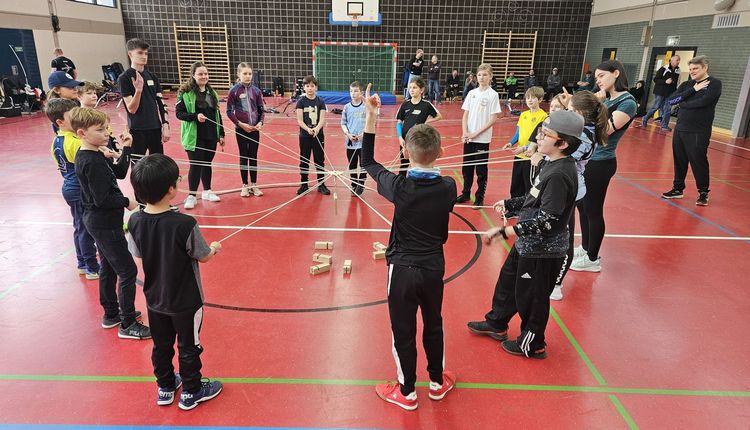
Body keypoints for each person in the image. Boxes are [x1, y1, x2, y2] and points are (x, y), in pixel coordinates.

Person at [360, 84, 457, 411]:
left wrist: (372, 116)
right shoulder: (449, 187)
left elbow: (368, 161)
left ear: (405, 151)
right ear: (441, 154)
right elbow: (438, 180)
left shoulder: (398, 187)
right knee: (434, 323)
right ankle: (436, 382)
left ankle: (407, 391)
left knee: (403, 329)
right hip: (433, 268)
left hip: (401, 270)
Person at [467, 110, 584, 359]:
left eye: (546, 134)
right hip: (528, 244)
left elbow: (548, 221)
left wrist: (508, 230)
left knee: (532, 298)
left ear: (562, 143)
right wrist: (510, 204)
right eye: (540, 132)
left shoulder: (560, 174)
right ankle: (497, 322)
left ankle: (532, 343)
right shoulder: (549, 163)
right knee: (508, 284)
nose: (539, 137)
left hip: (543, 251)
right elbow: (534, 197)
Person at [127, 153, 223, 410]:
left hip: (155, 298)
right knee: (189, 345)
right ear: (171, 189)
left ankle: (165, 386)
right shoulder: (184, 223)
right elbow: (203, 256)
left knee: (161, 344)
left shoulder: (134, 219)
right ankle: (192, 390)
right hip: (186, 300)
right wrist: (214, 248)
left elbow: (137, 254)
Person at [72, 107, 150, 339]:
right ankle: (127, 324)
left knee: (108, 266)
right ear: (82, 133)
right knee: (127, 270)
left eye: (106, 128)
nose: (106, 133)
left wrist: (125, 148)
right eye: (100, 130)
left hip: (104, 221)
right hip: (103, 223)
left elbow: (119, 172)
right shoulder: (91, 161)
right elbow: (103, 199)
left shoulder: (95, 154)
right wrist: (128, 201)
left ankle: (112, 314)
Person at [570, 60, 637, 273]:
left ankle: (592, 258)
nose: (597, 80)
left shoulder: (627, 102)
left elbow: (603, 131)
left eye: (601, 76)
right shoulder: (606, 98)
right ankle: (586, 246)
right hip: (587, 159)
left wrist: (595, 106)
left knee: (594, 209)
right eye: (596, 77)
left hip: (601, 162)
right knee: (582, 206)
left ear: (616, 73)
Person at [549, 89, 608, 300]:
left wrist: (543, 151)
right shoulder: (582, 128)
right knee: (556, 233)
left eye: (571, 110)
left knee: (563, 237)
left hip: (568, 189)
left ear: (581, 113)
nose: (568, 112)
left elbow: (562, 155)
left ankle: (555, 284)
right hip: (564, 186)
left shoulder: (584, 136)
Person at [47, 98, 100, 280]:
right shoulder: (75, 142)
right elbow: (87, 165)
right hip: (79, 188)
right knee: (86, 228)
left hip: (68, 186)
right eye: (73, 116)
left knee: (79, 226)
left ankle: (83, 263)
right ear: (60, 122)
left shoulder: (56, 142)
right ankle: (92, 266)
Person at [661, 56, 721, 206]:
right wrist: (693, 89)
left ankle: (703, 192)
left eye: (696, 69)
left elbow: (704, 102)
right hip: (681, 128)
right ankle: (677, 189)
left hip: (698, 130)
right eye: (691, 69)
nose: (692, 71)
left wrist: (684, 104)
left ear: (705, 68)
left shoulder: (714, 83)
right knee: (679, 160)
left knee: (698, 161)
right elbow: (671, 101)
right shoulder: (688, 84)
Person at [175, 62, 225, 210]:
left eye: (205, 74)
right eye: (200, 74)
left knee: (207, 163)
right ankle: (191, 195)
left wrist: (221, 133)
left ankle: (207, 191)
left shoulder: (212, 93)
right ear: (193, 75)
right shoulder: (185, 93)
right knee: (196, 164)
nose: (204, 76)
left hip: (210, 135)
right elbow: (179, 114)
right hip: (194, 136)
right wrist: (195, 116)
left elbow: (217, 115)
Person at [456, 64, 502, 208]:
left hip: (482, 139)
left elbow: (493, 119)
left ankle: (479, 196)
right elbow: (465, 115)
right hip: (468, 138)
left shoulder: (493, 95)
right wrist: (465, 132)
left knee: (481, 170)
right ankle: (465, 193)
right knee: (467, 168)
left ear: (490, 76)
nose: (482, 78)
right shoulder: (472, 93)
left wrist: (475, 133)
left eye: (485, 75)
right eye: (480, 75)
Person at [118, 38, 170, 157]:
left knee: (157, 164)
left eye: (146, 53)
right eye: (140, 53)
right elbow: (132, 109)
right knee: (137, 165)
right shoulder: (124, 78)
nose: (144, 56)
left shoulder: (152, 76)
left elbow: (161, 103)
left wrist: (165, 125)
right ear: (130, 54)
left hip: (155, 128)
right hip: (137, 130)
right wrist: (138, 91)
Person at [226, 62, 265, 198]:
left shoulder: (256, 91)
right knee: (244, 156)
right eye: (245, 74)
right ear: (239, 74)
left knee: (253, 156)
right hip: (241, 129)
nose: (248, 76)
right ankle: (244, 185)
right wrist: (240, 124)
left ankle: (254, 184)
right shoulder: (234, 91)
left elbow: (261, 110)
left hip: (254, 129)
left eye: (249, 74)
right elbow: (229, 111)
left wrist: (260, 122)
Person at [504, 86, 547, 199]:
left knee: (529, 184)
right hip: (519, 155)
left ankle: (527, 208)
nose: (529, 100)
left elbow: (539, 139)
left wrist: (525, 147)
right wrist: (510, 143)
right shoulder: (523, 115)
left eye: (533, 98)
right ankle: (514, 207)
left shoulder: (543, 116)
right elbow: (518, 133)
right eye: (528, 97)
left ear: (540, 99)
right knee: (516, 183)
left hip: (531, 156)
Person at [396, 77, 442, 176]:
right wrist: (400, 137)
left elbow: (439, 116)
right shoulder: (405, 105)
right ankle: (401, 184)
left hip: (418, 140)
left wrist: (427, 121)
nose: (411, 90)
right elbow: (399, 122)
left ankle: (416, 185)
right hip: (405, 140)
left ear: (421, 90)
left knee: (417, 164)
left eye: (415, 87)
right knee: (404, 164)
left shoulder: (426, 105)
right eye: (410, 88)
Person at [295, 75, 330, 196]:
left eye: (312, 86)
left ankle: (321, 184)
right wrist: (307, 129)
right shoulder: (301, 102)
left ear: (316, 87)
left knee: (319, 160)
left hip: (318, 135)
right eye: (307, 86)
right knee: (304, 160)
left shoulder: (320, 101)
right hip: (305, 136)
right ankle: (304, 184)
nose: (310, 88)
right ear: (304, 88)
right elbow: (299, 120)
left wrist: (316, 129)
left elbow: (322, 119)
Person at [639, 55, 680, 132]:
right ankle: (645, 118)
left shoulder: (678, 70)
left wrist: (675, 90)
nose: (678, 62)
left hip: (670, 92)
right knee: (656, 106)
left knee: (668, 108)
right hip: (660, 91)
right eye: (677, 60)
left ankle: (664, 126)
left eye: (679, 60)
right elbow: (656, 79)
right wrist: (665, 81)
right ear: (671, 60)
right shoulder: (663, 68)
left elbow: (675, 82)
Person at [341, 81, 367, 195]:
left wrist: (364, 134)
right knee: (352, 165)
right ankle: (354, 184)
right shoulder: (346, 107)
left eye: (356, 91)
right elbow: (343, 123)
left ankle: (361, 184)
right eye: (351, 91)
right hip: (350, 142)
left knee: (363, 164)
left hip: (363, 142)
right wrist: (347, 134)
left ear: (361, 93)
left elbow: (371, 123)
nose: (353, 93)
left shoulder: (366, 107)